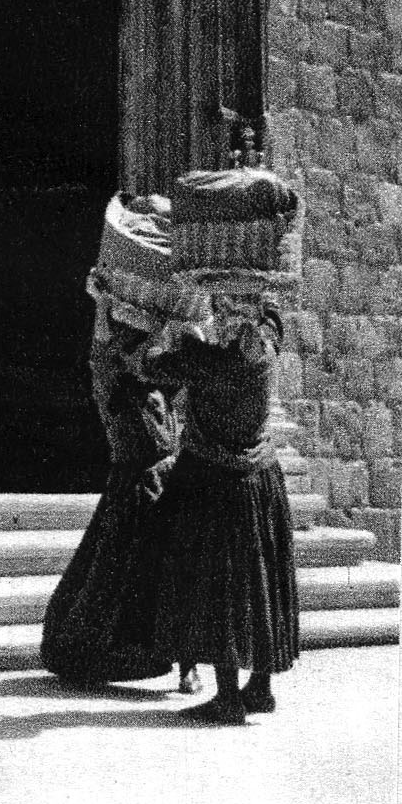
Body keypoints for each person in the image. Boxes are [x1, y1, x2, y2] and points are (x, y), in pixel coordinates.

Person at [142, 290, 300, 725]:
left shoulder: (208, 361)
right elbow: (273, 316)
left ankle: (227, 697)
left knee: (218, 585)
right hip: (261, 480)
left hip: (216, 483)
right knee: (260, 579)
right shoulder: (266, 348)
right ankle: (261, 687)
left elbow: (147, 364)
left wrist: (174, 325)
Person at [40, 290, 198, 690]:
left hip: (165, 491)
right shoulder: (112, 387)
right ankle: (95, 657)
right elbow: (105, 352)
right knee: (115, 580)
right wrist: (103, 300)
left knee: (173, 579)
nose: (139, 349)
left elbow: (183, 356)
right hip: (130, 495)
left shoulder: (158, 386)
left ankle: (186, 664)